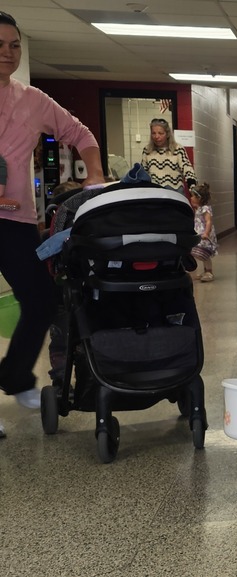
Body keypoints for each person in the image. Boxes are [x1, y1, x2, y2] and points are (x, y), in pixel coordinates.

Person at [0, 11, 104, 418]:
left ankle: (14, 375)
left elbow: (80, 134)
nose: (8, 53)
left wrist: (94, 176)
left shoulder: (32, 100)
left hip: (15, 222)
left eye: (14, 45)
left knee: (42, 300)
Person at [142, 117, 197, 195]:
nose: (156, 136)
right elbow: (143, 172)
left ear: (167, 134)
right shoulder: (147, 150)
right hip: (154, 192)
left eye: (160, 133)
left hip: (175, 191)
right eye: (153, 133)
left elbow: (187, 168)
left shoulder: (178, 149)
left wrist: (192, 185)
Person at [189, 182, 218, 282]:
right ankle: (204, 271)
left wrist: (206, 232)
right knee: (197, 252)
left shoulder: (205, 209)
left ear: (199, 198)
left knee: (204, 254)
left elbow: (208, 221)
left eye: (193, 196)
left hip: (204, 234)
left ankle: (209, 272)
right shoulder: (197, 209)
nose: (191, 198)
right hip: (198, 234)